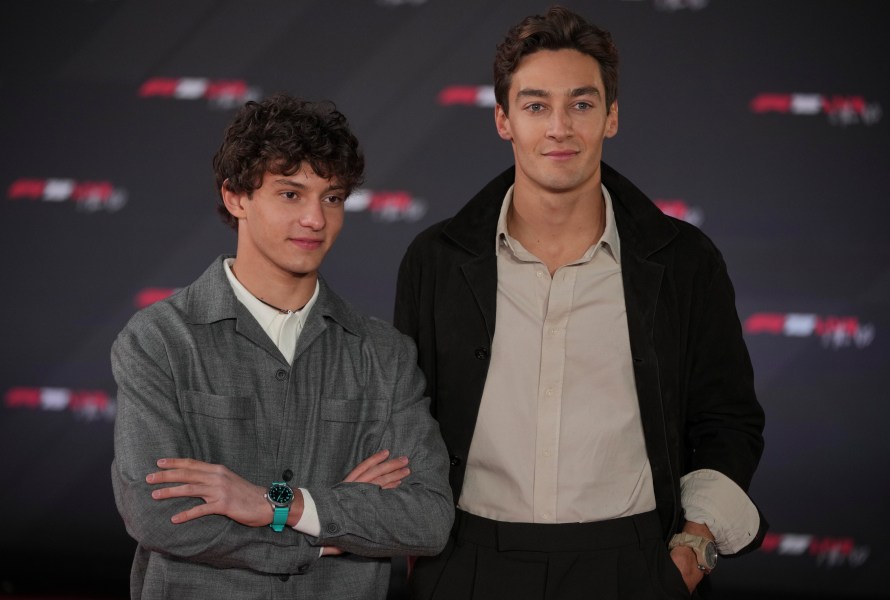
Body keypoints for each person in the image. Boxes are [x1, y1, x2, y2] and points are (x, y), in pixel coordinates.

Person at [394, 6, 766, 599]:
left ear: (611, 117)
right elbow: (404, 422)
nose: (559, 127)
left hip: (632, 565)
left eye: (582, 104)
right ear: (503, 120)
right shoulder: (435, 260)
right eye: (536, 105)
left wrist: (691, 550)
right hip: (466, 566)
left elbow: (728, 420)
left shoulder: (684, 260)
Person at [111, 93, 454, 599]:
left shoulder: (383, 353)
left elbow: (427, 518)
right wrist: (325, 532)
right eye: (291, 194)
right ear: (236, 197)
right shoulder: (158, 340)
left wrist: (280, 502)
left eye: (332, 197)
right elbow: (159, 514)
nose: (316, 219)